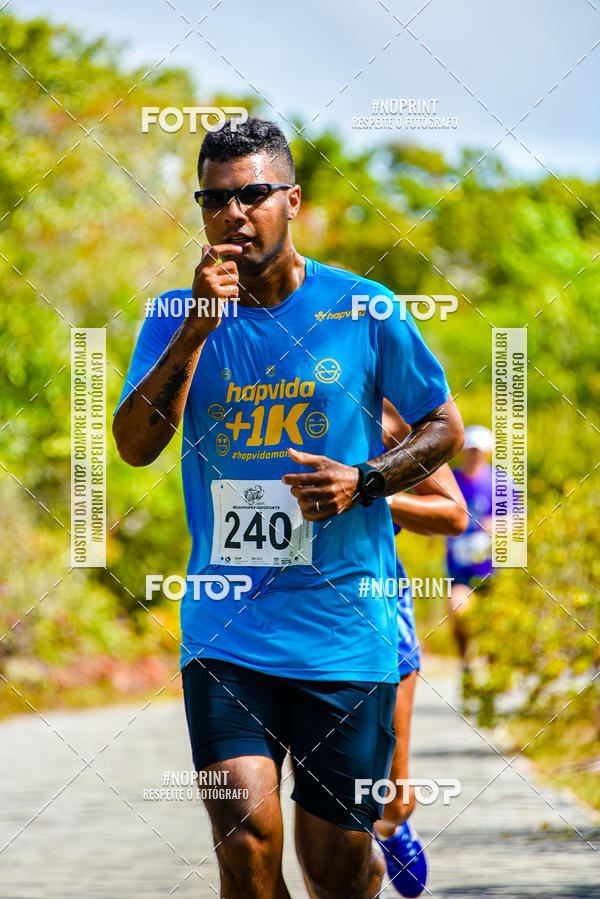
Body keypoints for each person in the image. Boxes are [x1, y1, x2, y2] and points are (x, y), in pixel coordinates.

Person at [113, 117, 464, 899]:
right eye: (214, 200)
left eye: (252, 195)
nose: (232, 214)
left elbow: (444, 427)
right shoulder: (176, 316)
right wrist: (193, 337)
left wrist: (365, 481)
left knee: (336, 870)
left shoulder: (365, 310)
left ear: (292, 200)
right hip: (225, 626)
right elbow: (135, 445)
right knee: (245, 839)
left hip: (345, 631)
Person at [372, 399, 467, 896]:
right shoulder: (245, 398)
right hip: (270, 616)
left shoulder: (388, 418)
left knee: (391, 790)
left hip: (376, 609)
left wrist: (370, 493)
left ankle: (392, 825)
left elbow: (453, 516)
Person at [445, 425, 494, 701]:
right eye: (468, 451)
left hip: (493, 572)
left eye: (477, 451)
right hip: (460, 572)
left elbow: (519, 523)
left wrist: (492, 525)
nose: (472, 456)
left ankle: (493, 686)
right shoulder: (451, 481)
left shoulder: (500, 483)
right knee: (458, 610)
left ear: (486, 453)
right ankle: (465, 666)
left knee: (495, 630)